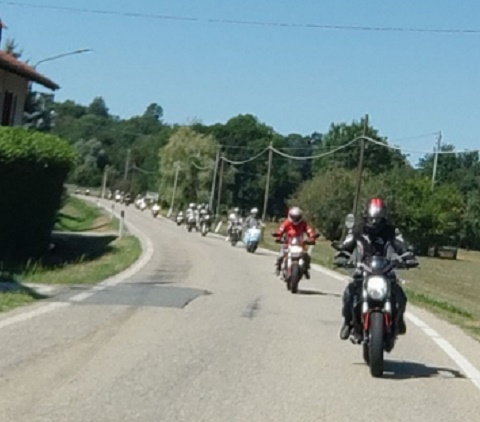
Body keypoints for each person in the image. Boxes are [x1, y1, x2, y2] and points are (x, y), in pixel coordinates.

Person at [335, 197, 414, 341]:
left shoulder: (391, 231)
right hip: (362, 270)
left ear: (383, 217)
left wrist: (407, 256)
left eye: (377, 219)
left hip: (386, 270)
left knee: (400, 296)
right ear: (366, 215)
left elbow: (401, 245)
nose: (374, 222)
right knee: (349, 294)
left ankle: (399, 320)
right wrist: (342, 255)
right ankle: (347, 322)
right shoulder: (357, 230)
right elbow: (346, 244)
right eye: (372, 219)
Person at [272, 207, 316, 279]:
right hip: (287, 243)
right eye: (293, 217)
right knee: (281, 255)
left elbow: (309, 231)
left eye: (297, 217)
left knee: (306, 256)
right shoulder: (286, 223)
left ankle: (306, 269)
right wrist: (278, 237)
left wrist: (312, 238)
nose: (295, 219)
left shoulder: (303, 224)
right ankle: (278, 268)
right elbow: (280, 230)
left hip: (300, 244)